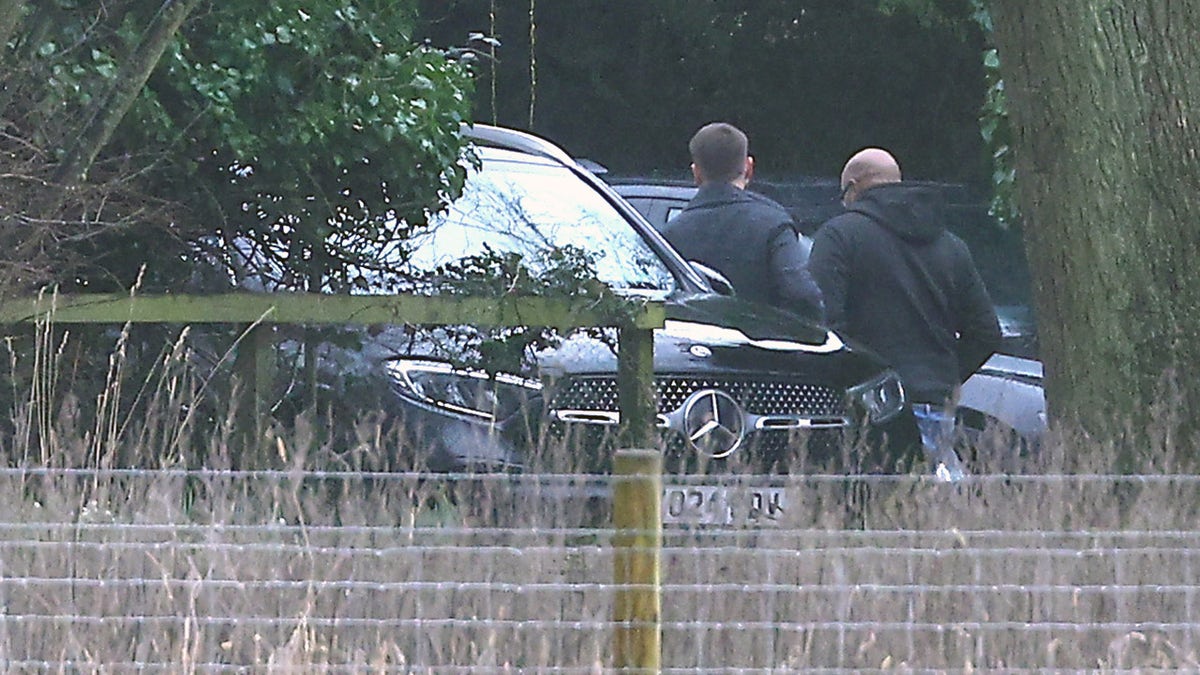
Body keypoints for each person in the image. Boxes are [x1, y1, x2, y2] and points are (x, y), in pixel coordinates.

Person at [808, 147, 1001, 480]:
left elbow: (822, 324)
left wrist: (860, 383)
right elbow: (985, 333)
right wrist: (942, 378)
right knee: (933, 505)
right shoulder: (950, 244)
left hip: (869, 410)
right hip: (935, 404)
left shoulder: (839, 236)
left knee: (871, 505)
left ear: (854, 187)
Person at [661, 122, 823, 320]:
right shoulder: (774, 223)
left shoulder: (669, 235)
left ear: (696, 173)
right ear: (749, 168)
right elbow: (802, 295)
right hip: (761, 337)